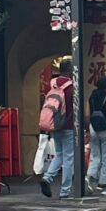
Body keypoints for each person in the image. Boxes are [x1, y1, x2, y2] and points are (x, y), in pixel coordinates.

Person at [40, 57, 76, 200]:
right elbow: (74, 107)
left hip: (54, 124)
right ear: (70, 70)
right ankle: (65, 191)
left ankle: (47, 177)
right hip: (67, 125)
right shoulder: (71, 86)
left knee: (59, 154)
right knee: (68, 158)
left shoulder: (52, 84)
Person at [85, 75, 106, 196]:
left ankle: (89, 176)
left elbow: (87, 115)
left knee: (95, 155)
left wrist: (88, 130)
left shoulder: (91, 97)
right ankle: (105, 185)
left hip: (93, 127)